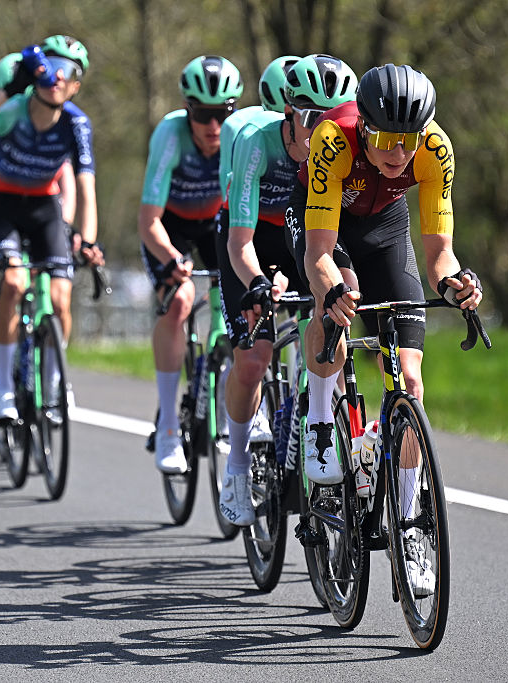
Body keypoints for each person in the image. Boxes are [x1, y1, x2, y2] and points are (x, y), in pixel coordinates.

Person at [295, 63, 483, 492]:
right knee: (339, 303)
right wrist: (334, 292)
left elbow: (440, 255)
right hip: (327, 223)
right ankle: (321, 421)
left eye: (408, 142)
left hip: (385, 226)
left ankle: (407, 520)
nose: (398, 154)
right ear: (363, 127)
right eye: (384, 140)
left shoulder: (436, 149)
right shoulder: (333, 140)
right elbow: (318, 252)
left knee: (410, 381)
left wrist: (456, 284)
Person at [217, 54, 358, 526]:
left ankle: (328, 432)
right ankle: (236, 464)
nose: (324, 132)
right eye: (314, 120)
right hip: (249, 235)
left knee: (328, 321)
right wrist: (258, 281)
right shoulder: (257, 143)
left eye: (334, 120)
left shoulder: (336, 149)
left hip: (300, 232)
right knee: (254, 358)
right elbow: (239, 241)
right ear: (289, 115)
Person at [0, 35, 103, 422]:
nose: (57, 77)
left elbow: (87, 188)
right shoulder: (14, 110)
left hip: (43, 208)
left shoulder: (76, 123)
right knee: (15, 284)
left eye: (68, 72)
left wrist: (87, 239)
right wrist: (7, 91)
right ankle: (2, 388)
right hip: (1, 206)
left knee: (61, 296)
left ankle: (55, 383)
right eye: (49, 67)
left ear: (76, 86)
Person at [138, 55, 243, 473]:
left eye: (222, 114)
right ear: (188, 109)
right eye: (202, 113)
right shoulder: (170, 134)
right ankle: (167, 422)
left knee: (244, 310)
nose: (212, 126)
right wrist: (173, 260)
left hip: (215, 226)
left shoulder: (240, 138)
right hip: (171, 228)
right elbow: (148, 221)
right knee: (181, 301)